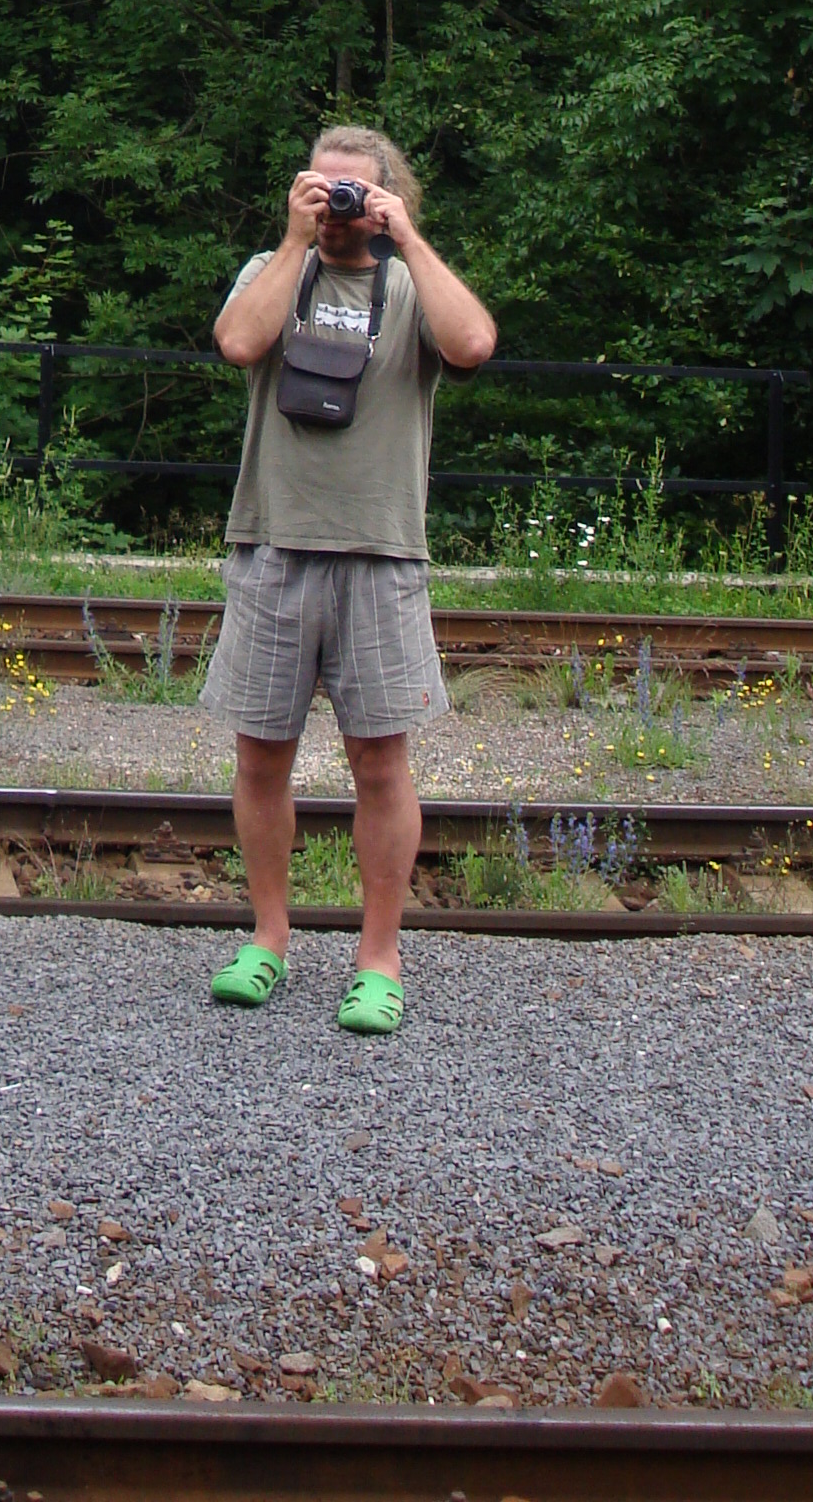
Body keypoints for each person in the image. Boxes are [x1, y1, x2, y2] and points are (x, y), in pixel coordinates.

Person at [200, 125, 495, 1032]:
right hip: (274, 545)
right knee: (261, 756)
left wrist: (408, 238)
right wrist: (294, 240)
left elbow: (473, 343)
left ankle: (379, 958)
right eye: (320, 188)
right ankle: (269, 941)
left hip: (382, 553)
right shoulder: (273, 269)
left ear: (388, 197)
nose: (335, 206)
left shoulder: (409, 285)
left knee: (381, 764)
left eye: (353, 192)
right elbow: (238, 343)